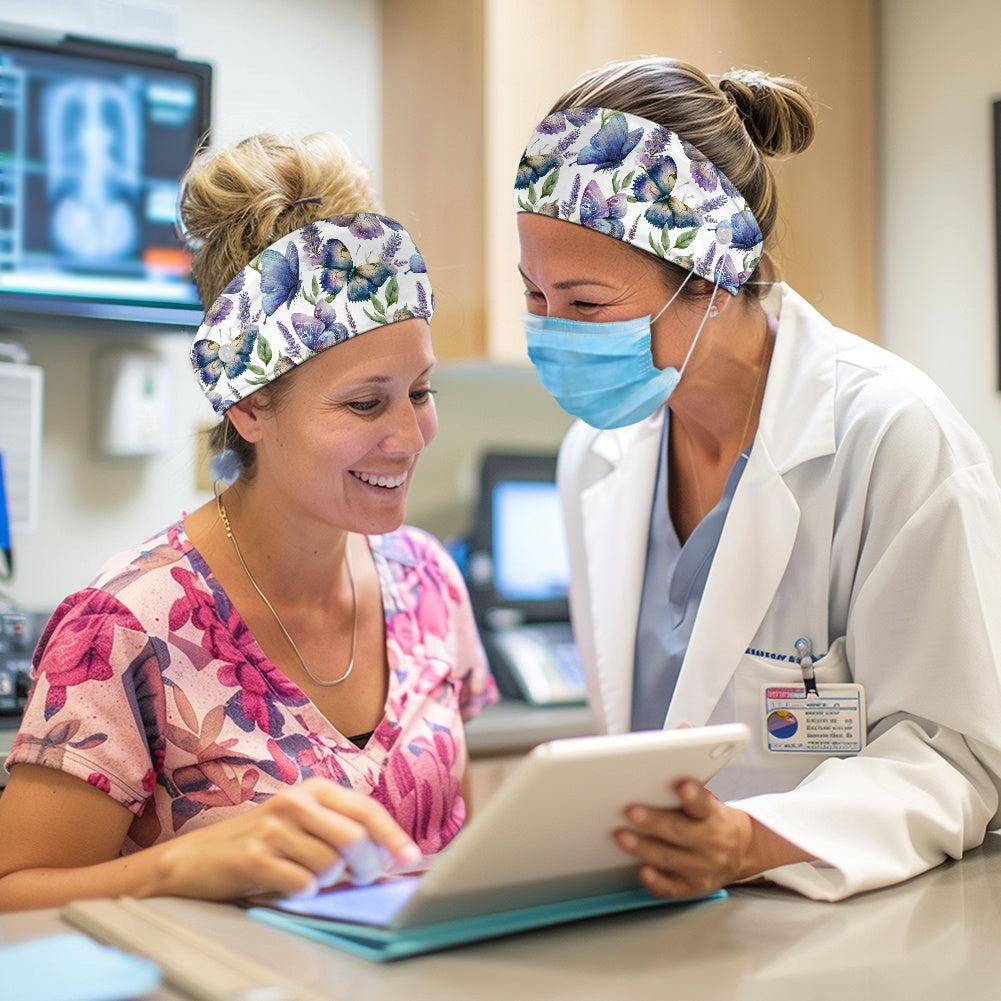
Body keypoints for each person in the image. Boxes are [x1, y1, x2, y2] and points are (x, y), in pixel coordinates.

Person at [512, 56, 1001, 901]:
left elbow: (947, 752)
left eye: (586, 304)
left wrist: (749, 841)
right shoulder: (594, 455)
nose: (554, 335)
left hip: (849, 936)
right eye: (534, 296)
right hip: (669, 928)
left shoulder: (890, 435)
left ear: (709, 282)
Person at [0, 132, 497, 911]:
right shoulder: (125, 627)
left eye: (420, 391)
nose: (408, 436)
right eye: (365, 402)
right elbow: (12, 892)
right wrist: (177, 866)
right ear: (250, 406)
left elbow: (455, 838)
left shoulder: (428, 579)